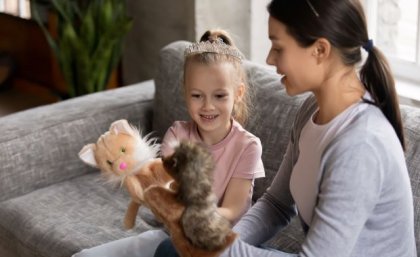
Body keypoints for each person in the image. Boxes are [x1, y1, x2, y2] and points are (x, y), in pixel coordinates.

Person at [154, 0, 417, 257]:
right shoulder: (311, 111)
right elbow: (277, 205)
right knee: (172, 250)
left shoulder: (361, 145)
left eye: (278, 47)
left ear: (319, 50)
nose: (269, 58)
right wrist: (221, 243)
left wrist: (215, 246)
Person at [72, 29, 265, 257]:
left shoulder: (247, 146)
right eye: (197, 95)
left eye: (219, 96)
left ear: (238, 93)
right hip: (175, 233)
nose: (208, 106)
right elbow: (162, 184)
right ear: (185, 92)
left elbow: (233, 210)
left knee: (167, 250)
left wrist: (187, 215)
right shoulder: (177, 134)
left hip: (221, 242)